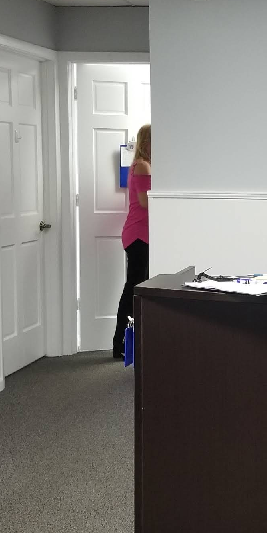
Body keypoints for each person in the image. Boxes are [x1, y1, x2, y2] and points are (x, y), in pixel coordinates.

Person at [113, 124, 151, 358]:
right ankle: (121, 345)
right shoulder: (143, 166)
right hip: (139, 235)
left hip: (139, 234)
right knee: (134, 289)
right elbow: (146, 202)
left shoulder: (140, 164)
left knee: (134, 288)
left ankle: (124, 345)